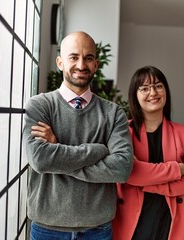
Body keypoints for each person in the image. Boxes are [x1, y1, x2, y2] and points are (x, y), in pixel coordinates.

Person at [22, 31, 133, 240]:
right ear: (60, 62)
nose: (81, 65)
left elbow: (121, 168)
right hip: (48, 229)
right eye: (73, 57)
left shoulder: (113, 113)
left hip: (97, 230)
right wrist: (97, 150)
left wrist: (57, 148)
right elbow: (40, 159)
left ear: (96, 65)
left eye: (88, 58)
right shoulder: (39, 106)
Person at [112, 65, 184, 240]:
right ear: (135, 95)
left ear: (165, 91)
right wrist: (176, 169)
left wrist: (145, 182)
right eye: (145, 88)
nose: (153, 92)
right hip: (131, 221)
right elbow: (128, 173)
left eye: (158, 86)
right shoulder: (123, 132)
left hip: (169, 221)